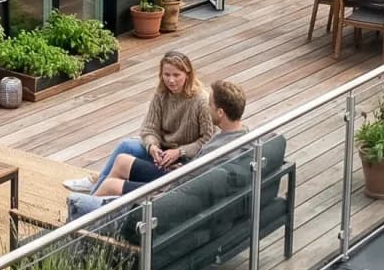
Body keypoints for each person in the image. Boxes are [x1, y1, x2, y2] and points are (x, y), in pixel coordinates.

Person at [69, 81, 251, 218]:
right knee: (122, 160)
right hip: (180, 177)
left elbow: (194, 183)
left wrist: (179, 168)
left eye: (210, 104)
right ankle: (89, 205)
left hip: (174, 193)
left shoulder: (222, 150)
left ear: (220, 113)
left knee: (111, 185)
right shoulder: (243, 135)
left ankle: (81, 220)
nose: (207, 107)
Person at [64, 50, 217, 204]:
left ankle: (93, 192)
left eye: (176, 75)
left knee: (123, 160)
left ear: (188, 74)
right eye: (166, 75)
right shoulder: (161, 95)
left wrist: (180, 152)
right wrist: (152, 146)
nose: (171, 81)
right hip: (161, 154)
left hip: (184, 160)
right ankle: (94, 192)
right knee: (127, 145)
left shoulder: (201, 101)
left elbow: (208, 140)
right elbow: (149, 129)